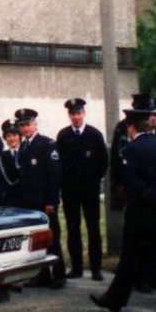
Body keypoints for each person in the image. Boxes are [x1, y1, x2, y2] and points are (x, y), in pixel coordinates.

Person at [91, 106, 156, 312]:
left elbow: (133, 184)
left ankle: (115, 299)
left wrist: (155, 196)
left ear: (131, 127)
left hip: (142, 214)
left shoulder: (131, 150)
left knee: (130, 259)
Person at [110, 93, 156, 292]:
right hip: (134, 188)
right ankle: (138, 277)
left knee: (153, 236)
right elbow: (119, 158)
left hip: (153, 190)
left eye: (155, 113)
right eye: (151, 114)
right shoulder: (125, 128)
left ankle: (152, 274)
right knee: (136, 237)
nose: (154, 117)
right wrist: (120, 186)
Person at [12, 108, 66, 288]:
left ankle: (59, 275)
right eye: (23, 126)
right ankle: (42, 275)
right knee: (36, 240)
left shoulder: (47, 144)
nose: (26, 129)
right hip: (30, 203)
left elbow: (54, 175)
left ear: (35, 125)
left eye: (28, 124)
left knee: (52, 238)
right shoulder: (24, 146)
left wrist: (51, 201)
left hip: (45, 203)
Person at [56, 98, 109, 281]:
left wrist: (95, 178)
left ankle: (96, 269)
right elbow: (60, 163)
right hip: (70, 191)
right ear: (69, 116)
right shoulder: (63, 135)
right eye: (72, 114)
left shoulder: (94, 134)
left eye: (78, 113)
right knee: (73, 229)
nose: (76, 117)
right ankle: (77, 268)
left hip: (90, 190)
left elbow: (103, 161)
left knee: (93, 228)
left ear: (83, 114)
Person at [0, 119, 22, 206]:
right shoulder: (1, 157)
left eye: (14, 135)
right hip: (9, 199)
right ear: (5, 138)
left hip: (27, 197)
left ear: (20, 136)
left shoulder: (26, 152)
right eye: (8, 136)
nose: (12, 139)